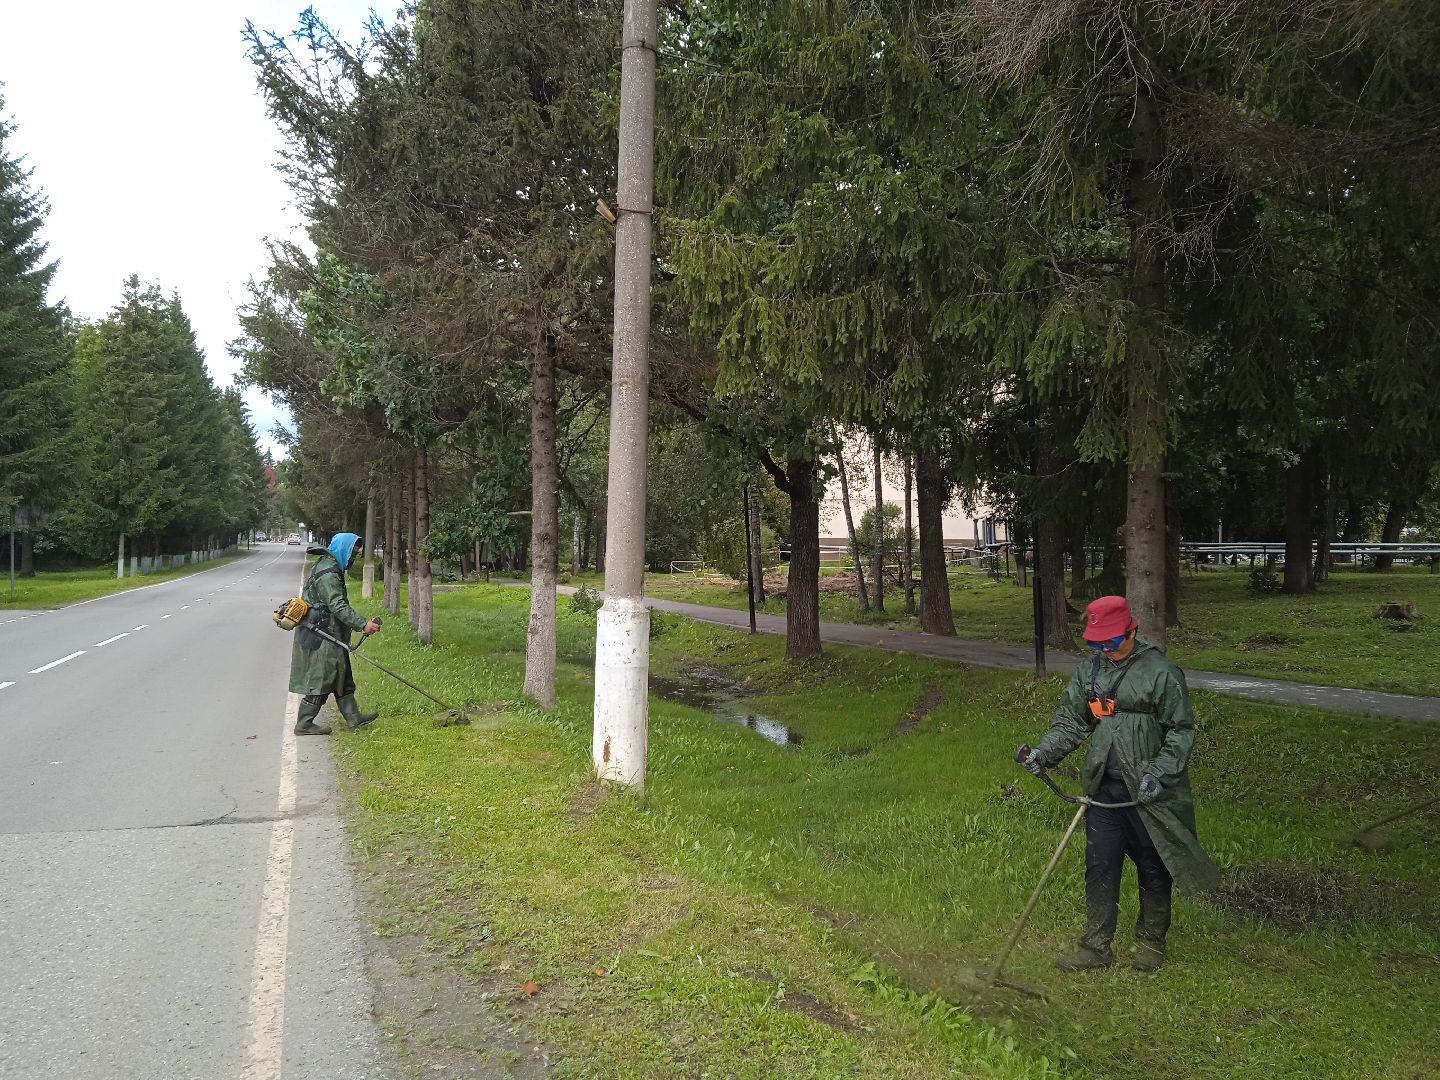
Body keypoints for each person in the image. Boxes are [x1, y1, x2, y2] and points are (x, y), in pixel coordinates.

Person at [1018, 595, 1219, 973]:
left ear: (1132, 630)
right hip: (1104, 792)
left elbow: (1181, 731)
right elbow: (1073, 721)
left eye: (1113, 642)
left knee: (1154, 867)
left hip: (1149, 794)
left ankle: (1151, 942)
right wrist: (1044, 753)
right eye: (1097, 644)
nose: (1106, 650)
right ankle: (1096, 947)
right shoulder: (1091, 672)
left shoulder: (1161, 673)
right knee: (1100, 867)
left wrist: (1159, 773)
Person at [290, 532, 382, 736]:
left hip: (328, 631)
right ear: (344, 549)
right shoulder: (328, 573)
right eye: (353, 552)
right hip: (320, 634)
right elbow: (338, 606)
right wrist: (363, 624)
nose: (355, 556)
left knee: (342, 675)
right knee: (323, 678)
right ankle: (304, 724)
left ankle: (353, 718)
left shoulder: (329, 566)